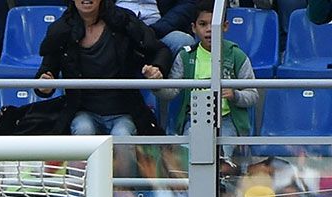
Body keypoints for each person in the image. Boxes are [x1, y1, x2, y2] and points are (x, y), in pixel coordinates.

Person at [36, 0, 170, 138]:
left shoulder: (124, 21)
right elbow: (46, 71)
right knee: (83, 129)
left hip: (125, 112)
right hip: (83, 112)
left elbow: (160, 50)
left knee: (121, 134)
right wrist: (44, 84)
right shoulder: (60, 30)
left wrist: (157, 68)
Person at [158, 6, 258, 137]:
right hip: (194, 119)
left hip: (226, 120)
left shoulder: (237, 56)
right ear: (194, 28)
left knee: (221, 154)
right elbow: (171, 92)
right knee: (194, 153)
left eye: (214, 24)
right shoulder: (185, 56)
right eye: (203, 24)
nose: (209, 29)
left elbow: (253, 95)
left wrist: (235, 95)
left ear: (225, 26)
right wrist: (156, 84)